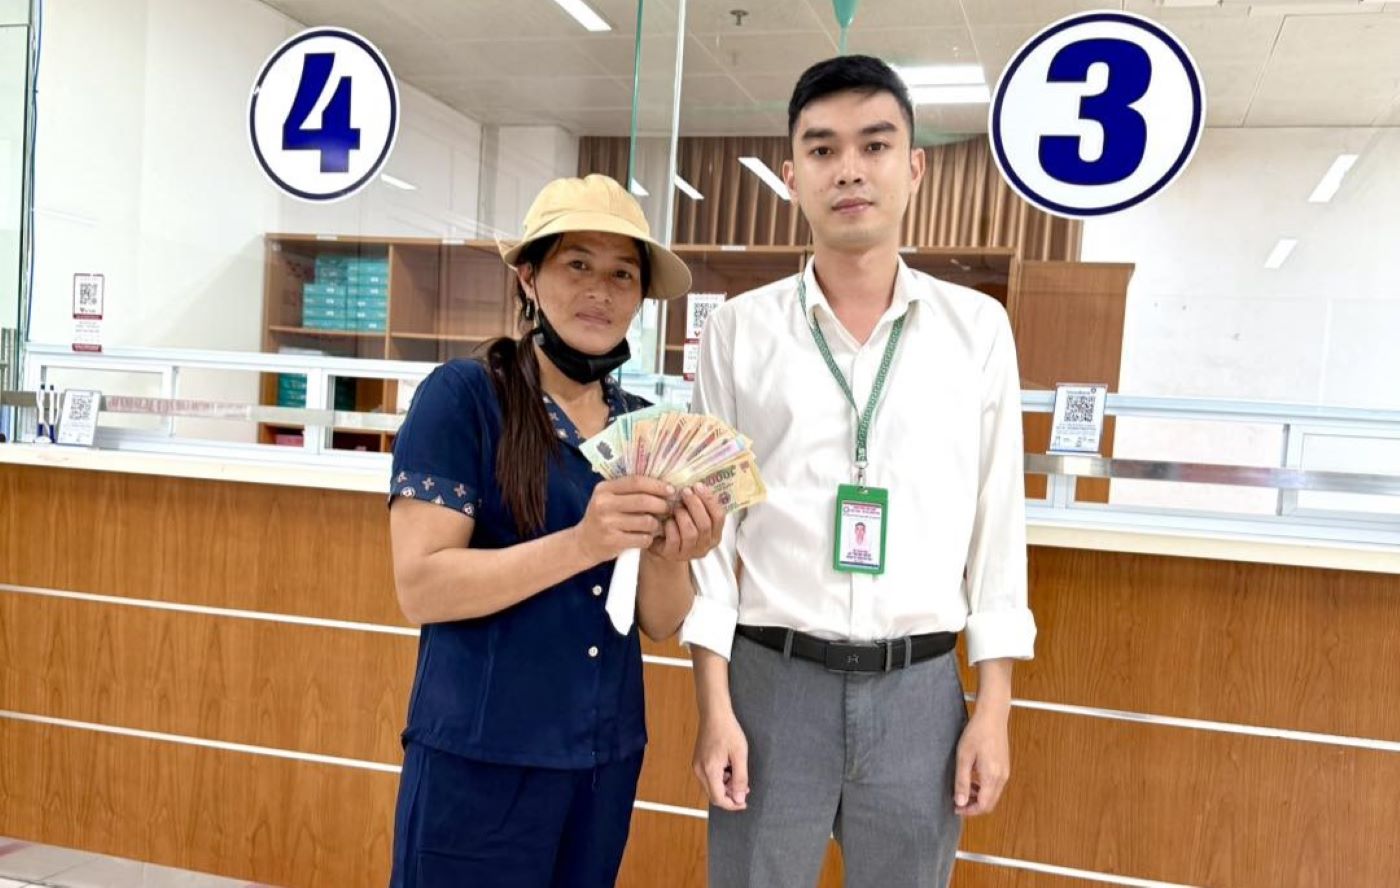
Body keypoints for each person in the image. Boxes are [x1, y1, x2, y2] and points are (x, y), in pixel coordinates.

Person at [684, 55, 1037, 887]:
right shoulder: (739, 334)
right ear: (791, 175)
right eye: (822, 149)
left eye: (875, 145)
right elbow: (712, 533)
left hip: (919, 690)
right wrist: (714, 704)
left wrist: (993, 709)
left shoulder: (976, 331)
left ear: (913, 167)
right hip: (771, 684)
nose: (849, 169)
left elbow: (999, 524)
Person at [387, 174, 726, 887]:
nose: (600, 291)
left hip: (602, 759)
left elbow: (661, 622)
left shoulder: (644, 428)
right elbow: (421, 586)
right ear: (529, 276)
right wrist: (582, 543)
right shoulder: (464, 397)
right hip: (482, 758)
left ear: (640, 296)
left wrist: (677, 552)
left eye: (621, 274)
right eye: (577, 264)